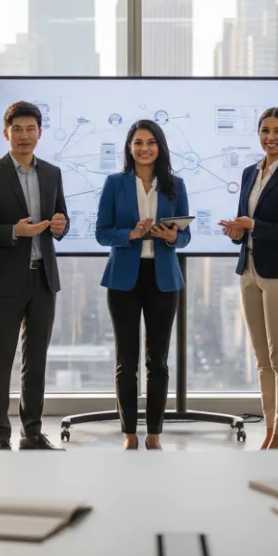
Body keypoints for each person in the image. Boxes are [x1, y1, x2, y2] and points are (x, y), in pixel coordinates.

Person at [0, 101, 70, 451]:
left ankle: (32, 431)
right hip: (6, 279)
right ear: (6, 133)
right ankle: (0, 435)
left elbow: (62, 220)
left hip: (43, 278)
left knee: (36, 360)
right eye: (18, 129)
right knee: (1, 360)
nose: (25, 136)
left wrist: (60, 226)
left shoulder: (52, 173)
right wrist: (14, 231)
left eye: (31, 129)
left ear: (39, 133)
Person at [219, 107, 278, 450]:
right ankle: (271, 429)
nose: (270, 137)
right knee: (261, 360)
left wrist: (253, 226)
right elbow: (246, 223)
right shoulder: (248, 173)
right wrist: (236, 232)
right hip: (249, 270)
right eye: (265, 131)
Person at [96, 120, 191, 450]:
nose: (144, 148)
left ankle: (154, 433)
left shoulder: (175, 185)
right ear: (129, 147)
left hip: (163, 278)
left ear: (160, 147)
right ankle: (128, 433)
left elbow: (186, 234)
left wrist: (173, 236)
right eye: (138, 142)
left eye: (151, 142)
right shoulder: (114, 184)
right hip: (123, 279)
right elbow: (101, 232)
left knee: (158, 360)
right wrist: (131, 234)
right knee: (127, 360)